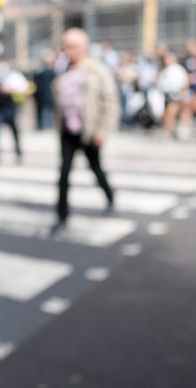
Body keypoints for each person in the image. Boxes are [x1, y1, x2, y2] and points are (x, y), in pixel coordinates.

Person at [50, 27, 120, 236]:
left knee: (96, 168)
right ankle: (62, 215)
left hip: (89, 131)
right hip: (67, 131)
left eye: (73, 46)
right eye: (66, 46)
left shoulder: (96, 69)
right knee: (63, 174)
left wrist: (103, 131)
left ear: (84, 47)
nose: (68, 50)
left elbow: (110, 102)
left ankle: (110, 196)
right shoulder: (62, 70)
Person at [0, 55, 29, 164]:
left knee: (14, 132)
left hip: (9, 107)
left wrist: (9, 89)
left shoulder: (11, 73)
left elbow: (23, 86)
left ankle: (18, 153)